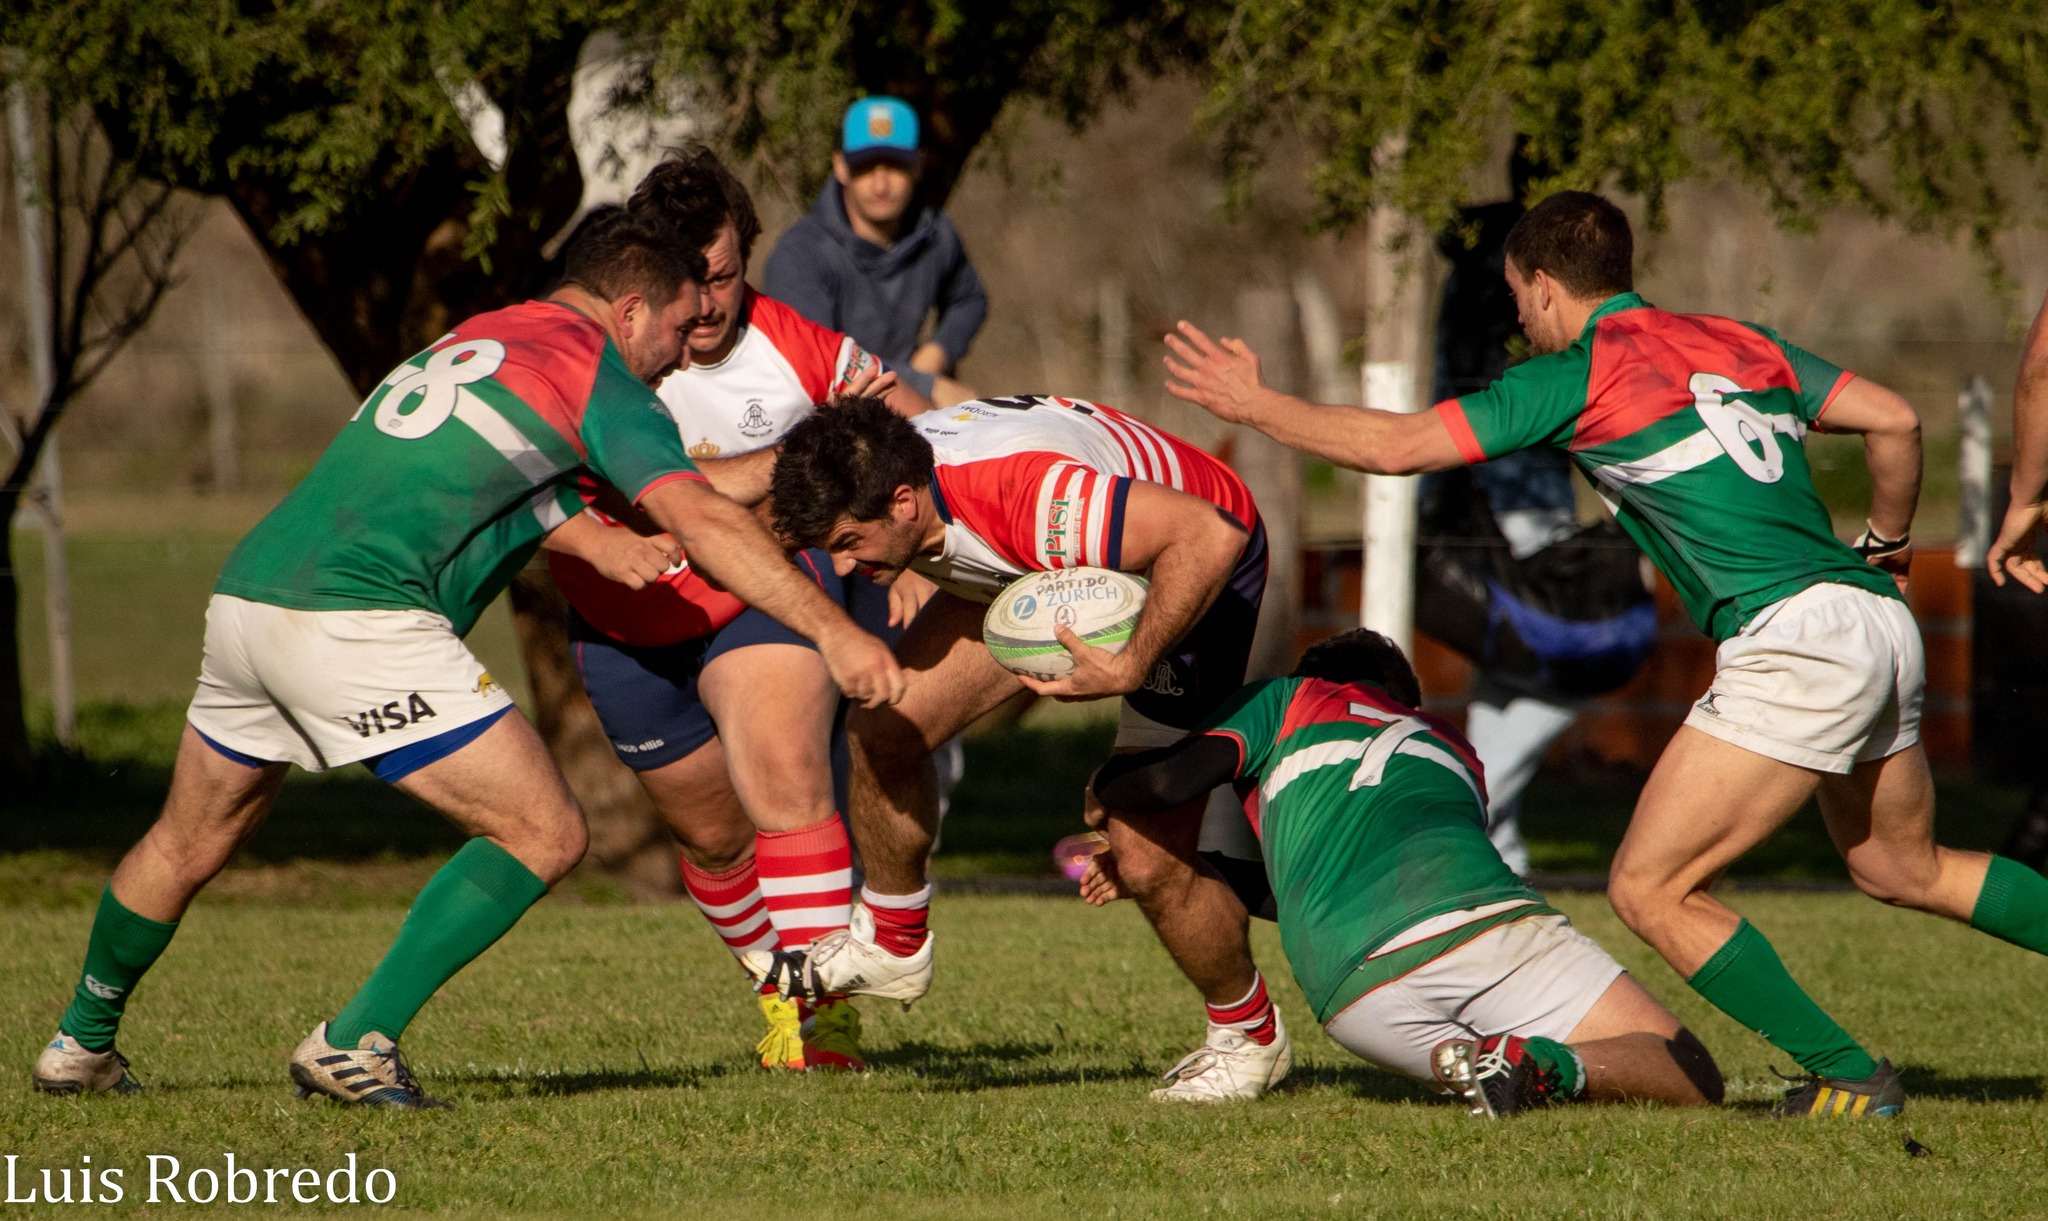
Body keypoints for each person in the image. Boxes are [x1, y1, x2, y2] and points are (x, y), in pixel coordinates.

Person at [1161, 189, 2048, 1118]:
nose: (1516, 317)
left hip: (1794, 638)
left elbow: (1398, 447)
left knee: (1650, 887)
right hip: (1876, 620)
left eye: (1515, 295)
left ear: (1545, 286)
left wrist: (1256, 405)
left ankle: (1851, 1077)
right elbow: (1896, 420)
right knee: (1903, 868)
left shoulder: (1575, 377)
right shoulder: (1739, 339)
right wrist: (1889, 548)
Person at [30, 207, 904, 1106]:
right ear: (632, 309)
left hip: (252, 594)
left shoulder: (489, 335)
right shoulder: (601, 376)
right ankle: (354, 1041)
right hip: (358, 617)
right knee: (545, 830)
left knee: (189, 837)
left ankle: (79, 1042)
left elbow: (491, 477)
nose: (683, 355)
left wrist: (599, 544)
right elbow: (706, 516)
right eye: (680, 329)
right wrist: (833, 628)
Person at [757, 394, 1291, 1103]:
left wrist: (1130, 665)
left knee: (1145, 854)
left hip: (1193, 558)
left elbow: (1209, 534)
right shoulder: (902, 483)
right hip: (1041, 561)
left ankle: (1249, 1038)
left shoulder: (1026, 499)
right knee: (886, 729)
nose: (844, 565)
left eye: (850, 541)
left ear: (905, 502)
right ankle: (893, 940)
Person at [541, 148, 934, 1072]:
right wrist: (789, 454)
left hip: (761, 601)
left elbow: (919, 429)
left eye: (722, 276)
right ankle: (781, 989)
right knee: (714, 839)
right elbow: (660, 494)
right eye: (690, 282)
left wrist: (922, 545)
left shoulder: (800, 346)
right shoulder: (597, 357)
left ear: (745, 255)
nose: (707, 305)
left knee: (787, 779)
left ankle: (820, 1028)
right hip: (625, 625)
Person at [1086, 628, 1723, 1116]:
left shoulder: (1286, 698)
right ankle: (1547, 1063)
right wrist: (1196, 866)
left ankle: (1499, 1065)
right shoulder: (1455, 748)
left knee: (1480, 1061)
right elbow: (1384, 882)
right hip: (1480, 931)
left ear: (1313, 679)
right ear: (1405, 702)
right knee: (1689, 1069)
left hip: (1355, 999)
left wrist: (1107, 788)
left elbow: (1167, 785)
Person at [1421, 202, 1655, 874]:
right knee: (1535, 659)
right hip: (1507, 501)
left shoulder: (1480, 286)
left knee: (1520, 667)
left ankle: (1489, 838)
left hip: (1500, 498)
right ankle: (1486, 832)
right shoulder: (1506, 289)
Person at [763, 96, 986, 406]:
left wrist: (937, 353)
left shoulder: (936, 234)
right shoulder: (799, 255)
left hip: (908, 400)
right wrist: (923, 385)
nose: (881, 185)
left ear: (918, 165)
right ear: (841, 167)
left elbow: (970, 299)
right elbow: (820, 363)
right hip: (833, 412)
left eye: (895, 166)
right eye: (866, 167)